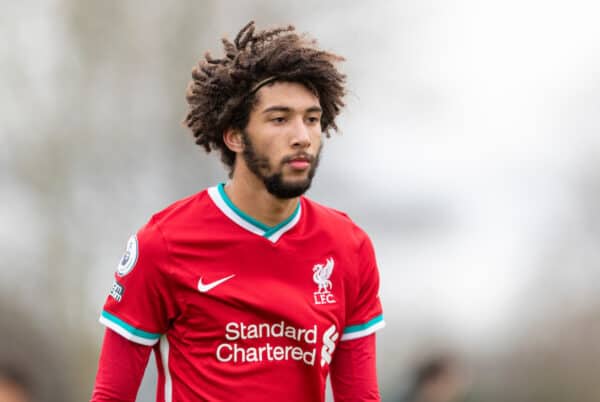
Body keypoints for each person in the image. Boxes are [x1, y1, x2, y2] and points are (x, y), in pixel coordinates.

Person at [90, 20, 385, 402]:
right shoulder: (163, 244)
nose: (302, 136)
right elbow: (111, 396)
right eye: (279, 119)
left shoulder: (349, 247)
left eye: (312, 119)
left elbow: (360, 397)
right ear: (234, 135)